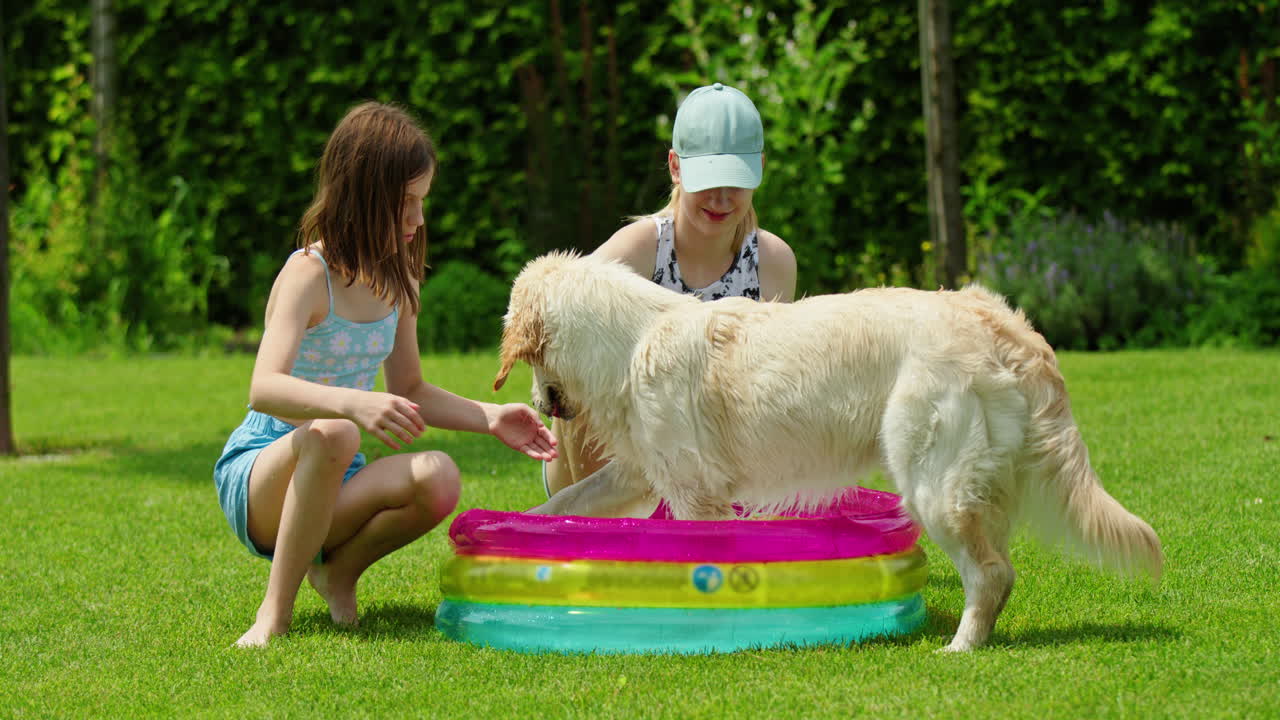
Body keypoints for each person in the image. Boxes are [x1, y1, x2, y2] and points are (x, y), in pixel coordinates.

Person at [213, 102, 557, 648]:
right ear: (362, 197)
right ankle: (273, 614)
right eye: (405, 203)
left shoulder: (400, 284)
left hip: (335, 473)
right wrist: (350, 403)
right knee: (336, 430)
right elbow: (264, 387)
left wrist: (491, 417)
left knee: (438, 475)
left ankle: (336, 574)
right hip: (262, 472)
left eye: (421, 202)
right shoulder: (309, 273)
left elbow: (410, 389)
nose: (418, 220)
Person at [542, 82, 797, 500]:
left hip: (713, 458)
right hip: (608, 466)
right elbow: (556, 319)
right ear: (675, 167)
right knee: (588, 380)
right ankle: (597, 528)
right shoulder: (639, 249)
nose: (720, 197)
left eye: (735, 180)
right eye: (707, 179)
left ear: (760, 169)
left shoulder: (773, 263)